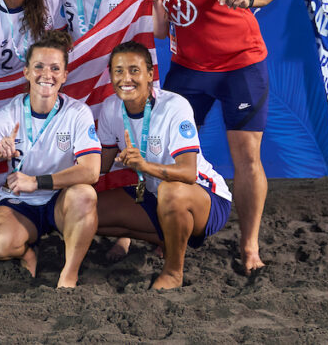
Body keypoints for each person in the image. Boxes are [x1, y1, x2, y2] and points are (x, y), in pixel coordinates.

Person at [129, 0, 278, 275]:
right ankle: (170, 231)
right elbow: (158, 32)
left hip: (240, 64)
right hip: (191, 69)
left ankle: (249, 248)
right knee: (162, 150)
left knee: (246, 157)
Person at [0, 30, 101, 288]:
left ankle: (68, 274)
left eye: (55, 68)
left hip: (59, 199)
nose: (46, 75)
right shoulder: (9, 114)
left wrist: (37, 182)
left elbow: (91, 171)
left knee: (85, 195)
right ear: (26, 72)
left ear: (65, 76)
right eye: (38, 66)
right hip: (21, 203)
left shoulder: (77, 112)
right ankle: (28, 252)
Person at [94, 42, 232, 289]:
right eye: (118, 71)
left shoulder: (174, 106)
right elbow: (101, 165)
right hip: (154, 196)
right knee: (83, 211)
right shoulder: (110, 108)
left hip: (205, 197)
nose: (126, 78)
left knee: (172, 190)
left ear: (150, 75)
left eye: (134, 70)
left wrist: (143, 165)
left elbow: (189, 173)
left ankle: (172, 272)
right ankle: (172, 238)